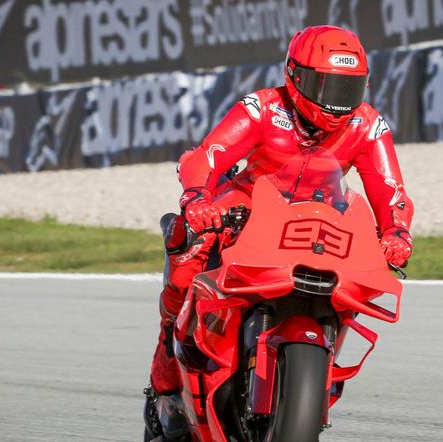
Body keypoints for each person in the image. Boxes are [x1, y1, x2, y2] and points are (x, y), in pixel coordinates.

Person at [149, 25, 414, 395]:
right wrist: (197, 199)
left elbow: (391, 190)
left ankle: (322, 356)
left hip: (324, 212)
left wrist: (396, 232)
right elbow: (207, 156)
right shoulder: (261, 108)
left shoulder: (367, 125)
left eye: (348, 89)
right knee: (190, 239)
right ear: (295, 76)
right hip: (249, 203)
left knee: (365, 271)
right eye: (326, 87)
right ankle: (169, 341)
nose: (336, 101)